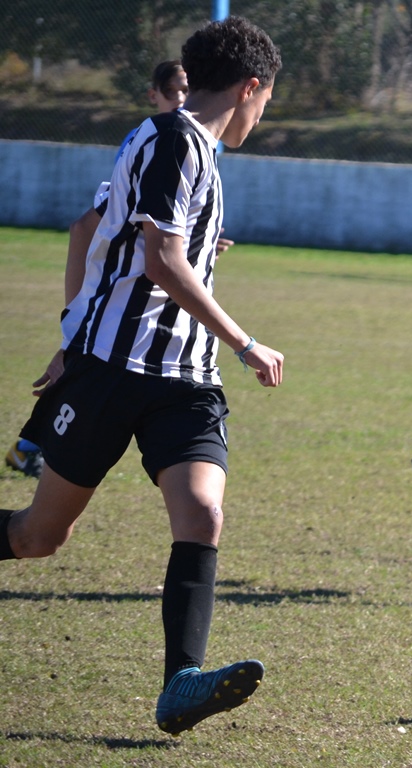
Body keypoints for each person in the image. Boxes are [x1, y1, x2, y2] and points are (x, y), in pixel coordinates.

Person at [0, 17, 283, 736]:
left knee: (204, 515)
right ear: (251, 87)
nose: (262, 113)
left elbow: (120, 243)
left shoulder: (196, 154)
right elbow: (157, 260)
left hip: (185, 380)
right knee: (38, 537)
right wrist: (245, 340)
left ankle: (179, 684)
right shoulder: (170, 141)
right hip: (112, 371)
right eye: (267, 99)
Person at [4, 60, 209, 480]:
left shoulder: (182, 142)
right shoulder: (161, 142)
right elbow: (86, 227)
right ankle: (28, 447)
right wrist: (76, 323)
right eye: (176, 91)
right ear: (154, 94)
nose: (183, 100)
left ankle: (27, 447)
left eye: (190, 91)